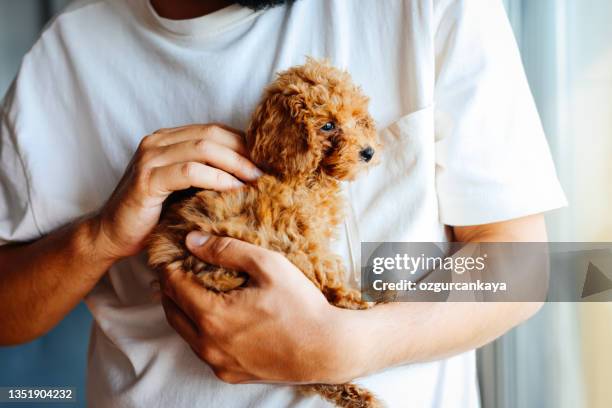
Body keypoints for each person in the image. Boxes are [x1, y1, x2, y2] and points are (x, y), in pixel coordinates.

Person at [0, 0, 567, 406]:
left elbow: (522, 261)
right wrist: (99, 238)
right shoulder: (64, 57)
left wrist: (346, 346)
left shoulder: (433, 8)